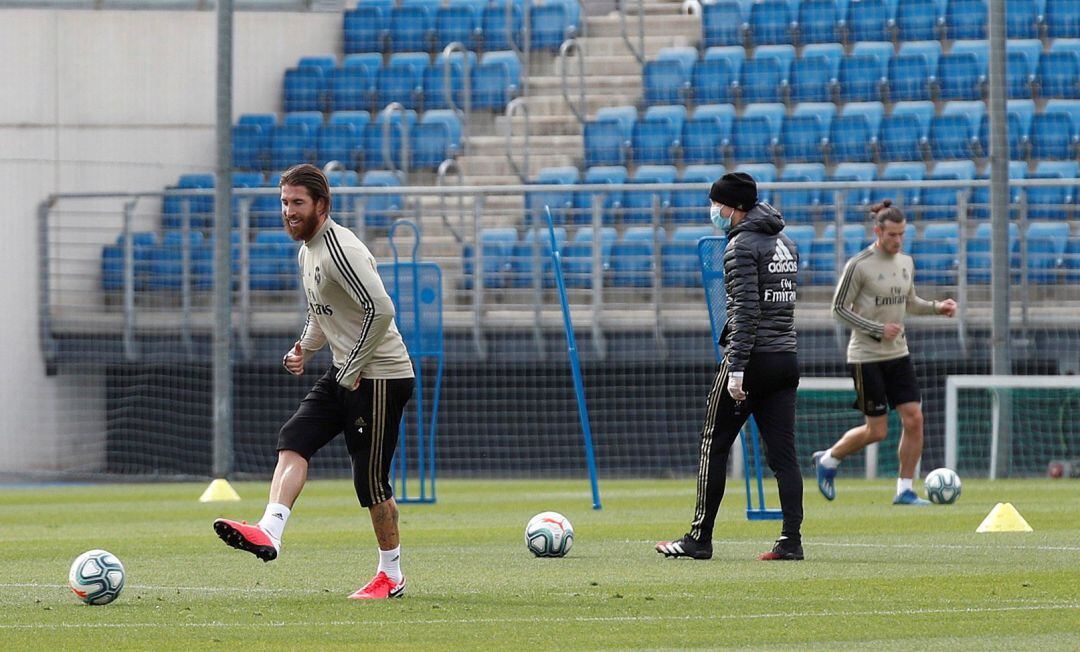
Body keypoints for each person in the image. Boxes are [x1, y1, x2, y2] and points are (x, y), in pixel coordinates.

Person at [213, 164, 415, 600]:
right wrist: (303, 348)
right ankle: (270, 530)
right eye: (284, 203)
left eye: (297, 203)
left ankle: (392, 576)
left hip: (379, 375)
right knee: (294, 437)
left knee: (371, 483)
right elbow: (322, 312)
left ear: (321, 206)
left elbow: (381, 311)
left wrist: (353, 367)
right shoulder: (307, 251)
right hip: (346, 370)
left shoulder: (341, 249)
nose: (288, 211)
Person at [656, 172, 804, 562]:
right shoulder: (785, 242)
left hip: (751, 359)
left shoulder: (740, 246)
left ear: (734, 208)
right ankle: (791, 540)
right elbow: (781, 309)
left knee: (714, 443)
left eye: (717, 204)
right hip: (785, 358)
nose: (714, 211)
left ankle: (698, 538)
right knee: (784, 455)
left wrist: (736, 368)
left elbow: (745, 311)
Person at [813, 200, 957, 505]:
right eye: (892, 234)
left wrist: (936, 308)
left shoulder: (906, 262)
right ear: (878, 231)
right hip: (866, 357)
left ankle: (905, 489)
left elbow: (910, 302)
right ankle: (828, 459)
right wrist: (877, 329)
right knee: (877, 431)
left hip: (898, 354)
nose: (898, 240)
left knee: (914, 418)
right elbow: (838, 310)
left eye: (902, 234)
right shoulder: (859, 265)